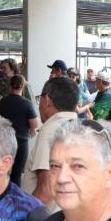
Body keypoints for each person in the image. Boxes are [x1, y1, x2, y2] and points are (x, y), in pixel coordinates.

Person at [21, 77, 78, 209]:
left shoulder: (51, 130)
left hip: (47, 217)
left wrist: (25, 218)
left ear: (46, 100)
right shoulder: (80, 127)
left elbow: (45, 191)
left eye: (39, 99)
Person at [0, 75, 39, 186]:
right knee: (16, 175)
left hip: (4, 141)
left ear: (10, 86)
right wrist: (31, 128)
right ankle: (15, 196)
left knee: (3, 172)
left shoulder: (2, 102)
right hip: (21, 142)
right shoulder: (27, 104)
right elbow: (35, 124)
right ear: (23, 87)